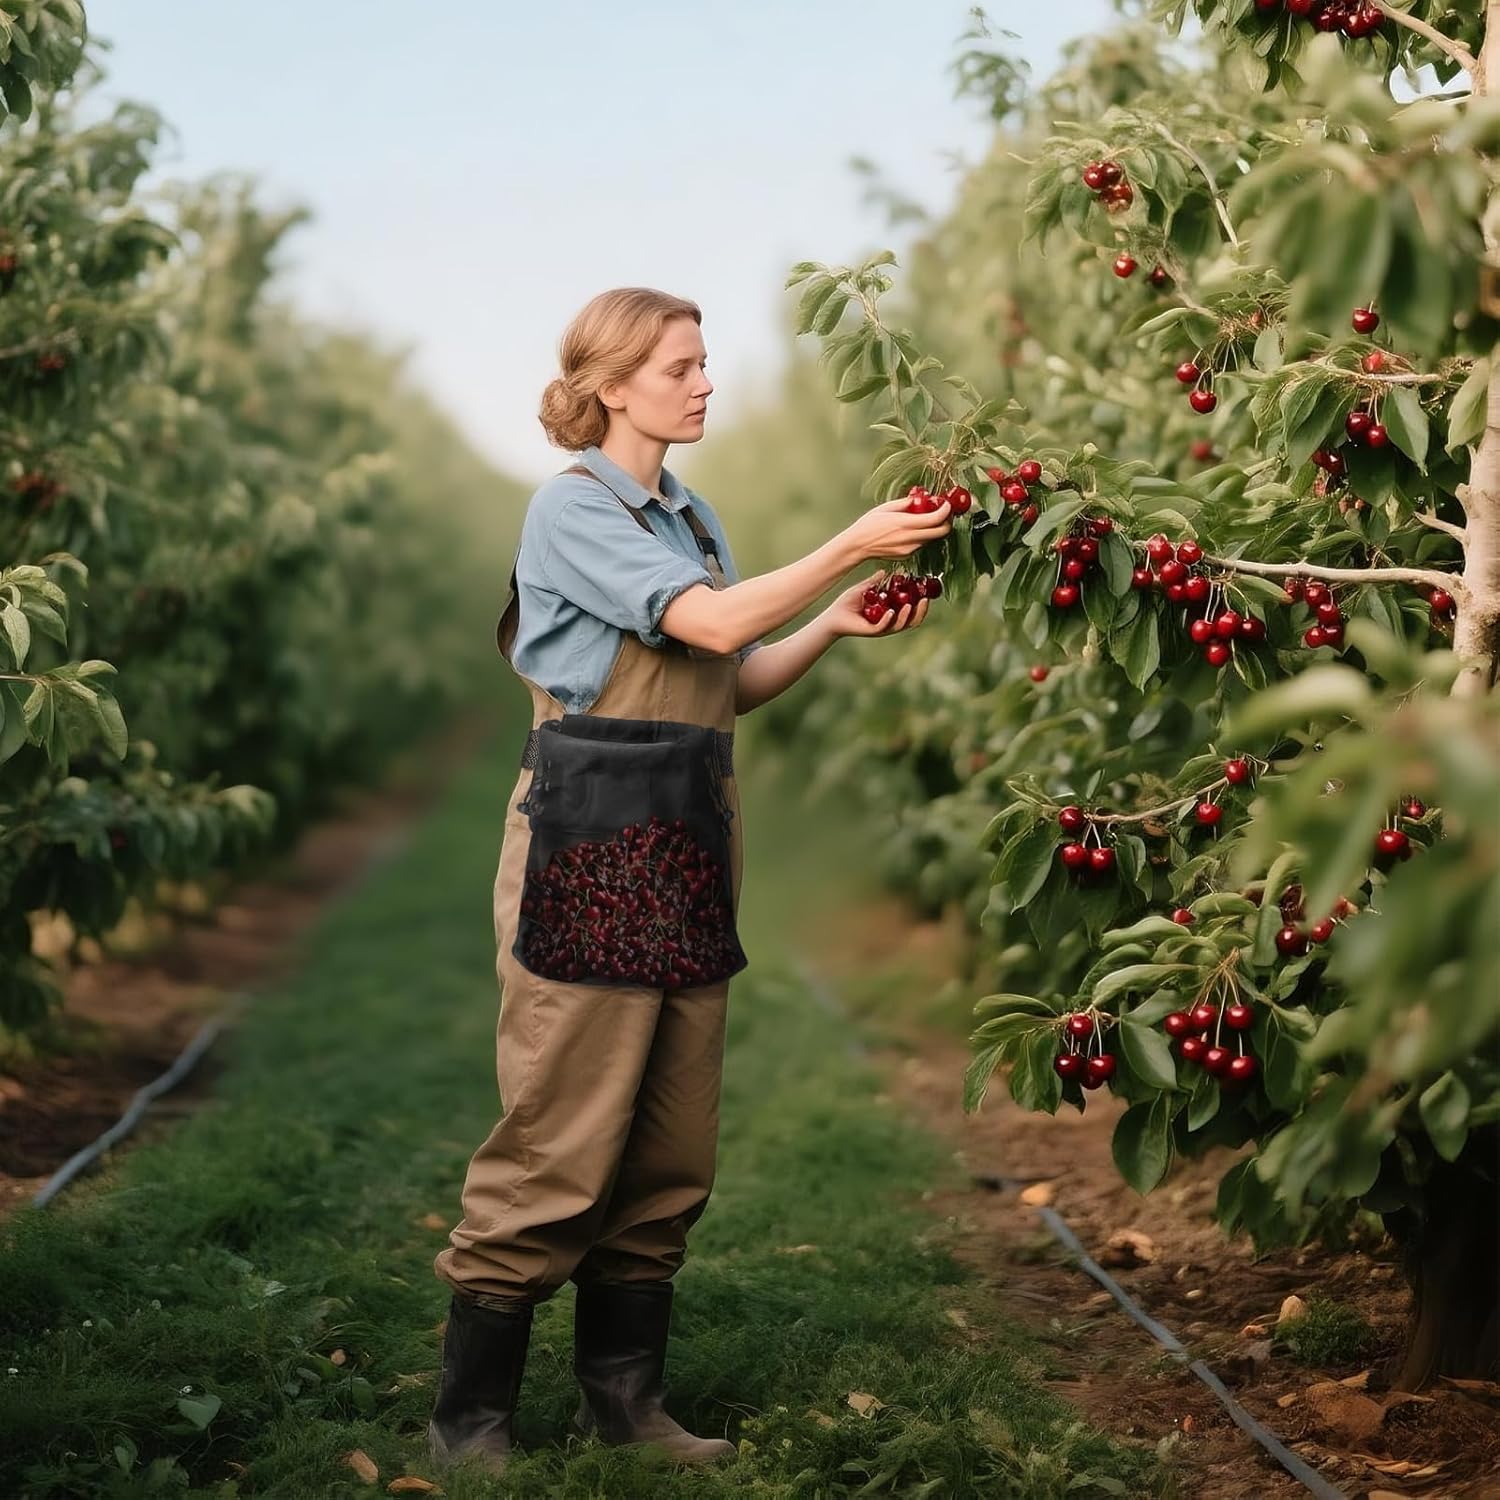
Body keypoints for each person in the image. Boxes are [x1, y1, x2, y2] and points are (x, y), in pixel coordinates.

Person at [428, 286, 952, 1474]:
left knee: (670, 1147)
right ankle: (471, 1423)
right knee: (560, 1133)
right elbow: (708, 630)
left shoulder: (689, 515)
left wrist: (832, 624)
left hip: (688, 842)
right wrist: (846, 547)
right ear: (615, 386)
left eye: (707, 363)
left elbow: (728, 682)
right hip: (590, 845)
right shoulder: (574, 510)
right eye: (682, 366)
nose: (706, 382)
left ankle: (627, 1408)